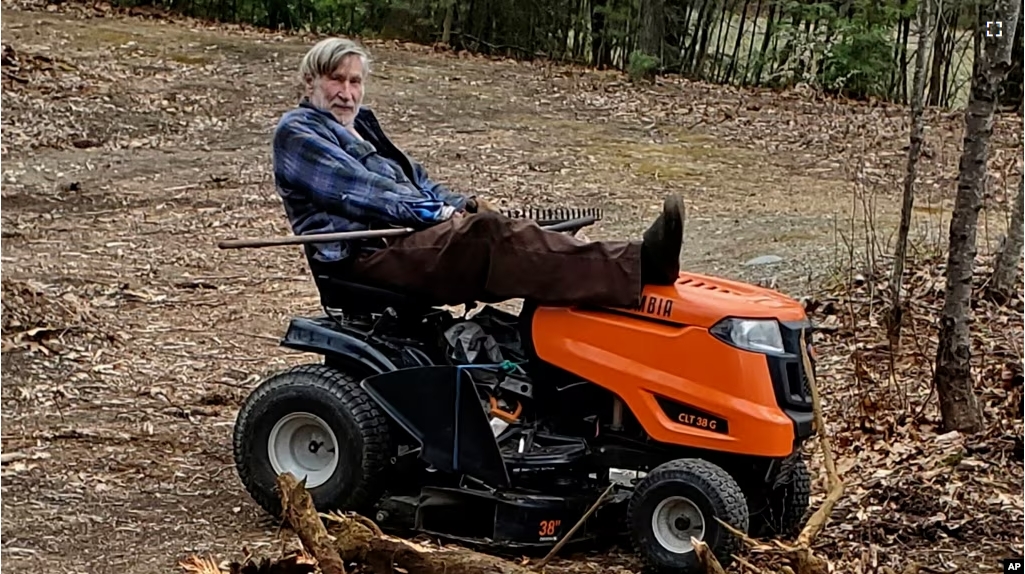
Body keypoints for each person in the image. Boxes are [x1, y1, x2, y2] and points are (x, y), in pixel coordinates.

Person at [271, 37, 686, 309]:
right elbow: (366, 193)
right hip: (363, 257)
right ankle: (641, 265)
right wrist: (443, 215)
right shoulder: (298, 132)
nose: (347, 92)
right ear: (311, 82)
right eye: (336, 80)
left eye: (355, 81)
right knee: (486, 234)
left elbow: (417, 181)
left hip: (404, 239)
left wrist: (463, 203)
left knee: (511, 227)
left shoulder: (361, 126)